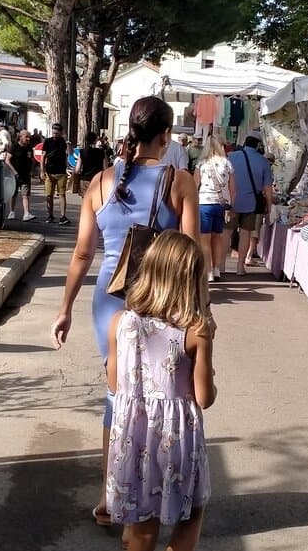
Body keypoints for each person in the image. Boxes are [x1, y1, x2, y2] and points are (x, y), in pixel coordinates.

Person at [51, 95, 201, 528]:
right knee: (163, 394)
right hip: (163, 299)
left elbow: (82, 253)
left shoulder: (100, 182)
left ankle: (110, 493)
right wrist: (199, 312)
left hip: (110, 300)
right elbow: (192, 254)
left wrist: (65, 308)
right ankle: (158, 489)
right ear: (166, 135)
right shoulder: (179, 182)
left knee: (118, 394)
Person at [105, 230, 215, 551]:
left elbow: (114, 383)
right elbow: (203, 397)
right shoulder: (195, 331)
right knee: (192, 513)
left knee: (140, 532)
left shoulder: (121, 323)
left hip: (132, 438)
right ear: (192, 280)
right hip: (175, 438)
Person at [227, 133, 274, 276]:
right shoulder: (263, 162)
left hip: (232, 202)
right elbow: (267, 188)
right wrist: (269, 205)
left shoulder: (231, 157)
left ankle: (220, 267)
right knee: (245, 234)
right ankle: (240, 267)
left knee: (226, 233)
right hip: (251, 203)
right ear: (258, 145)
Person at [194, 133, 234, 282]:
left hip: (205, 203)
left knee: (205, 239)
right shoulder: (227, 163)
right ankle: (217, 268)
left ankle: (208, 271)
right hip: (221, 205)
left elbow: (195, 185)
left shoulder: (202, 164)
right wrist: (231, 206)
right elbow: (233, 188)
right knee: (217, 237)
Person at [41, 122, 70, 225]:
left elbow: (68, 154)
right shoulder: (47, 141)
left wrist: (67, 168)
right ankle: (50, 215)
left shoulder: (63, 142)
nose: (55, 135)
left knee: (62, 194)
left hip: (61, 172)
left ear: (61, 133)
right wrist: (42, 171)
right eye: (53, 133)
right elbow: (43, 156)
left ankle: (63, 216)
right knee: (49, 195)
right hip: (49, 172)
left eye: (57, 133)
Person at [10, 128, 36, 221]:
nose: (28, 139)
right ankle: (12, 212)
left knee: (25, 194)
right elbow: (7, 160)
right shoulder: (14, 147)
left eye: (29, 137)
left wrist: (32, 170)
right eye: (26, 137)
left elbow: (32, 159)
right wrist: (14, 172)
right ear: (20, 137)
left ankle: (26, 213)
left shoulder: (29, 147)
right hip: (15, 175)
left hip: (25, 175)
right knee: (13, 194)